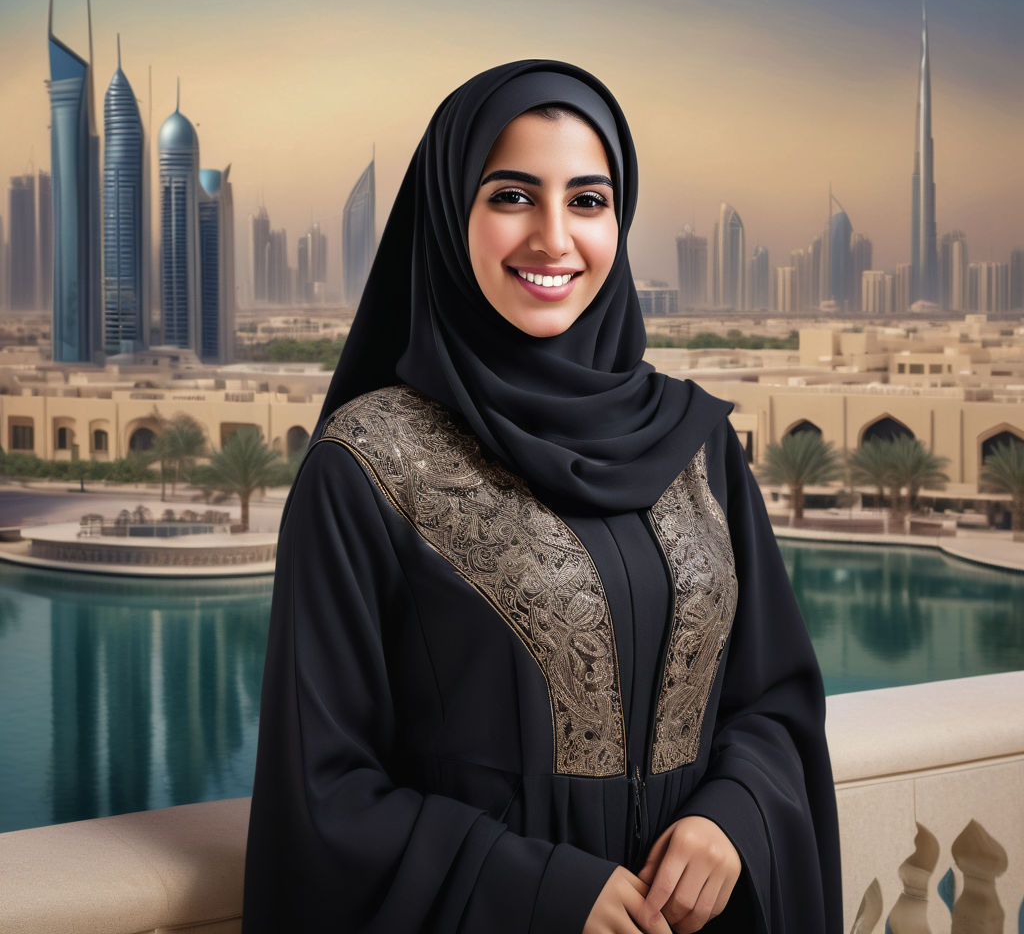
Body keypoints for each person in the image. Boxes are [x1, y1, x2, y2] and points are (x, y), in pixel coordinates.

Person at [242, 60, 842, 933]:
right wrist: (539, 893)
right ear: (450, 216)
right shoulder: (366, 466)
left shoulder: (696, 443)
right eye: (513, 196)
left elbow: (774, 699)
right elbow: (321, 788)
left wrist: (734, 813)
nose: (553, 238)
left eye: (587, 201)